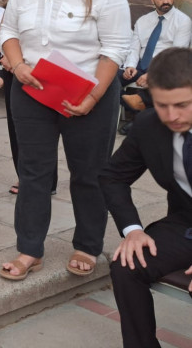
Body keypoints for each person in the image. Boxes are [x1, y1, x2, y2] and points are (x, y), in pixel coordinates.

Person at [0, 0, 131, 281]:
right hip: (31, 90)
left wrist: (93, 97)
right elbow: (8, 30)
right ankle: (29, 250)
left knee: (88, 172)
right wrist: (18, 66)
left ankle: (87, 245)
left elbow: (115, 46)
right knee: (33, 172)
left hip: (88, 92)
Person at [100, 47, 192, 348]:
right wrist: (133, 230)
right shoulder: (149, 125)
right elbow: (113, 177)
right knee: (127, 265)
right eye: (163, 105)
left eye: (182, 105)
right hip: (184, 222)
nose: (172, 116)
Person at [0, 0, 56, 196]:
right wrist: (9, 57)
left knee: (43, 131)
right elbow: (9, 28)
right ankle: (24, 175)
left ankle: (44, 180)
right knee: (17, 128)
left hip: (38, 67)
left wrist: (18, 59)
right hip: (14, 66)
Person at [118, 0, 191, 129]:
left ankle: (140, 115)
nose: (166, 1)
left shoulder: (183, 21)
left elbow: (176, 56)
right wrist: (130, 66)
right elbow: (134, 47)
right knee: (110, 81)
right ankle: (142, 112)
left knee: (171, 80)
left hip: (164, 66)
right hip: (140, 66)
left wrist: (153, 74)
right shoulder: (143, 21)